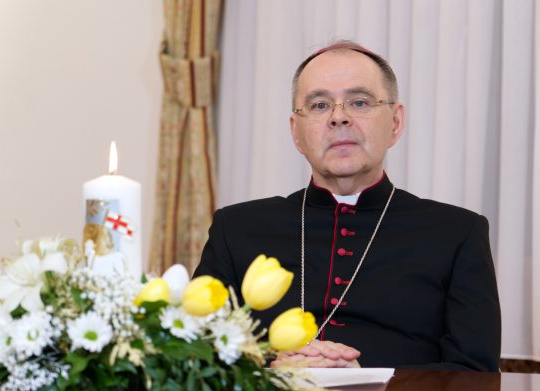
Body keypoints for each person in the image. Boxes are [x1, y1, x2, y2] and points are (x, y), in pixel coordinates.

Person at [194, 41, 501, 370]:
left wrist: (366, 377)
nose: (339, 117)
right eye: (319, 105)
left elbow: (475, 374)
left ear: (395, 123)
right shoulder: (236, 228)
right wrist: (272, 372)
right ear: (296, 132)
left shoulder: (456, 233)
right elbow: (193, 356)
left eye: (359, 102)